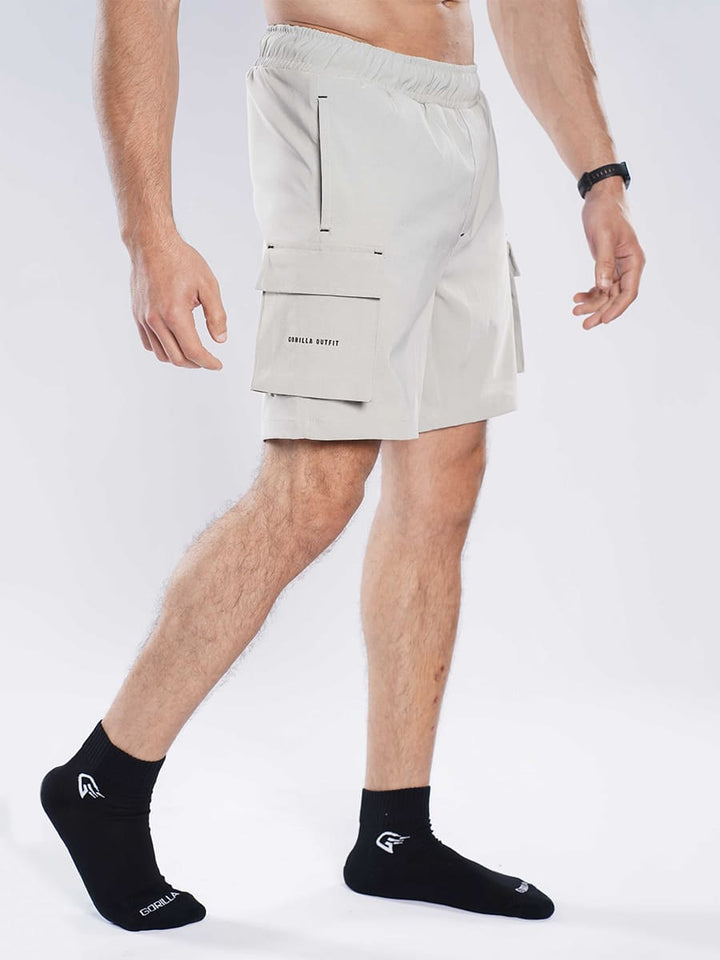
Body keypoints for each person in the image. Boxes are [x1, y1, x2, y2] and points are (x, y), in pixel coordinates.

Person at [40, 0, 645, 933]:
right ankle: (102, 781)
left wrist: (599, 176)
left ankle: (396, 832)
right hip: (339, 101)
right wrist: (148, 230)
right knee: (314, 486)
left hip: (459, 113)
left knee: (445, 479)